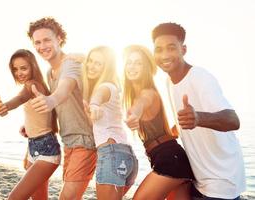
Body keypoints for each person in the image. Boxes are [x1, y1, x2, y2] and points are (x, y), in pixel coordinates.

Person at [152, 22, 246, 200]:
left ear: (183, 49)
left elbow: (233, 120)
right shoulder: (169, 82)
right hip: (200, 179)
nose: (164, 55)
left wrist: (198, 118)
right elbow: (188, 120)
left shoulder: (200, 77)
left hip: (220, 183)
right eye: (159, 49)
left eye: (171, 48)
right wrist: (176, 129)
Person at [27, 17, 97, 200]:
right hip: (69, 143)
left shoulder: (71, 63)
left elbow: (64, 89)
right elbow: (59, 110)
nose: (43, 46)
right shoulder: (50, 73)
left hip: (85, 141)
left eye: (47, 40)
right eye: (38, 42)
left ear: (59, 39)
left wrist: (51, 100)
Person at [123, 45, 195, 200]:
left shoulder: (147, 93)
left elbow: (140, 105)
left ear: (147, 68)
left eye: (138, 63)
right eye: (129, 62)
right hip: (174, 159)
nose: (132, 67)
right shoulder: (141, 93)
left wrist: (134, 115)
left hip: (170, 162)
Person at [0, 49, 61, 200]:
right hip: (34, 147)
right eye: (15, 69)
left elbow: (19, 98)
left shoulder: (32, 85)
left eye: (23, 68)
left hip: (47, 151)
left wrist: (6, 106)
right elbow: (41, 120)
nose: (19, 73)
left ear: (33, 67)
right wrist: (28, 148)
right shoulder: (37, 86)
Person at [82, 46, 138, 200]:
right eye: (90, 61)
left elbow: (97, 99)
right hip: (127, 156)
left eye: (98, 63)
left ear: (107, 67)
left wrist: (93, 105)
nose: (91, 66)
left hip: (111, 154)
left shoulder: (104, 87)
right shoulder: (116, 88)